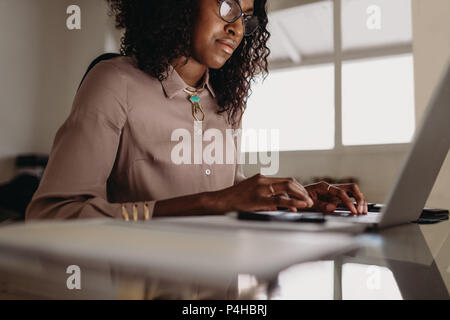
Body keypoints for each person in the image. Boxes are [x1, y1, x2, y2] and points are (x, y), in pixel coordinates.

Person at [25, 0, 367, 221]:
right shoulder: (114, 83)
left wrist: (295, 199)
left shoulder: (228, 101)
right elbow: (52, 214)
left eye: (246, 18)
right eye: (227, 6)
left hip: (219, 281)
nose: (237, 28)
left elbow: (228, 190)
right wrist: (209, 203)